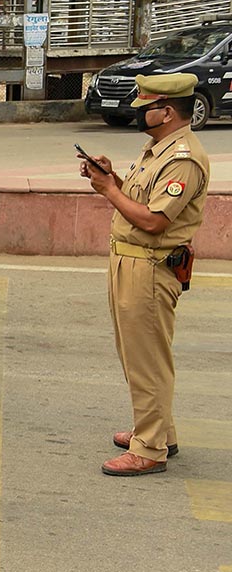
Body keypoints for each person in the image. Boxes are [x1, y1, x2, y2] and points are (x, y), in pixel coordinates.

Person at [80, 73, 209, 477]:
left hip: (151, 266)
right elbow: (141, 200)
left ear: (166, 112)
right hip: (131, 261)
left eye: (145, 107)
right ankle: (159, 432)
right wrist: (112, 179)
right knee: (136, 355)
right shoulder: (157, 150)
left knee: (148, 360)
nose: (138, 112)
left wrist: (108, 191)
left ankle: (150, 449)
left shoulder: (182, 159)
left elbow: (154, 221)